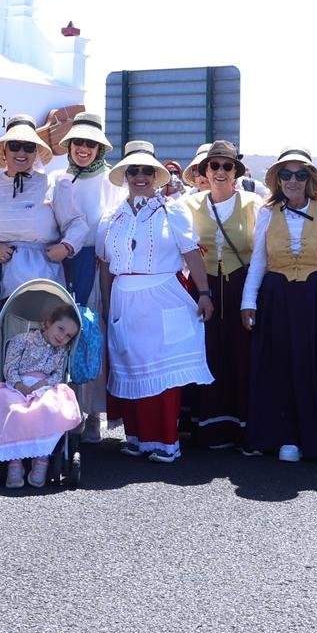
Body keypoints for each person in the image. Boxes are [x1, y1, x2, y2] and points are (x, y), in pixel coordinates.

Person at [98, 142, 214, 464]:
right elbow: (106, 265)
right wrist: (107, 307)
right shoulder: (111, 217)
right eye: (132, 171)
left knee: (162, 373)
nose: (139, 177)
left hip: (163, 295)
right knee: (131, 366)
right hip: (124, 299)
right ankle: (136, 438)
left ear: (156, 176)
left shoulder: (173, 210)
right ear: (124, 176)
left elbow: (191, 252)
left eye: (146, 171)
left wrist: (204, 293)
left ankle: (164, 441)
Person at [241, 148, 317, 472]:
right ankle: (287, 437)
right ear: (277, 179)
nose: (293, 181)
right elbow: (259, 262)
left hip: (316, 295)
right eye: (286, 175)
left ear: (310, 179)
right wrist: (248, 301)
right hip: (277, 296)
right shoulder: (267, 213)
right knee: (282, 366)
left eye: (300, 174)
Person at [0, 119, 82, 339]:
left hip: (44, 276)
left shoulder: (53, 186)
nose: (21, 152)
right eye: (15, 145)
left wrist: (65, 247)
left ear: (35, 152)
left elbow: (76, 223)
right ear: (4, 150)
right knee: (1, 340)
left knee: (45, 341)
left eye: (28, 147)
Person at [182, 141, 260, 450]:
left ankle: (245, 428)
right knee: (207, 353)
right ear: (204, 171)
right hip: (204, 287)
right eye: (214, 166)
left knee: (242, 355)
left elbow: (263, 252)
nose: (220, 172)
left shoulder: (254, 204)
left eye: (227, 166)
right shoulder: (189, 206)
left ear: (236, 171)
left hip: (242, 283)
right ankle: (210, 427)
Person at [50, 112, 121, 440]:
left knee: (93, 335)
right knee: (64, 335)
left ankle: (94, 412)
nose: (84, 149)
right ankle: (68, 410)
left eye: (90, 144)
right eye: (78, 142)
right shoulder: (58, 179)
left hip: (96, 264)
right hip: (64, 266)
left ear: (99, 149)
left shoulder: (112, 181)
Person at [0, 296, 85, 488]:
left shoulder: (61, 352)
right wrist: (20, 386)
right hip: (16, 385)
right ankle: (15, 462)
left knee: (50, 410)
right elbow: (10, 368)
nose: (62, 337)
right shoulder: (22, 340)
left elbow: (57, 375)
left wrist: (40, 386)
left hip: (45, 388)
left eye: (68, 336)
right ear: (48, 323)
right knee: (13, 411)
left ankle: (41, 459)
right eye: (61, 329)